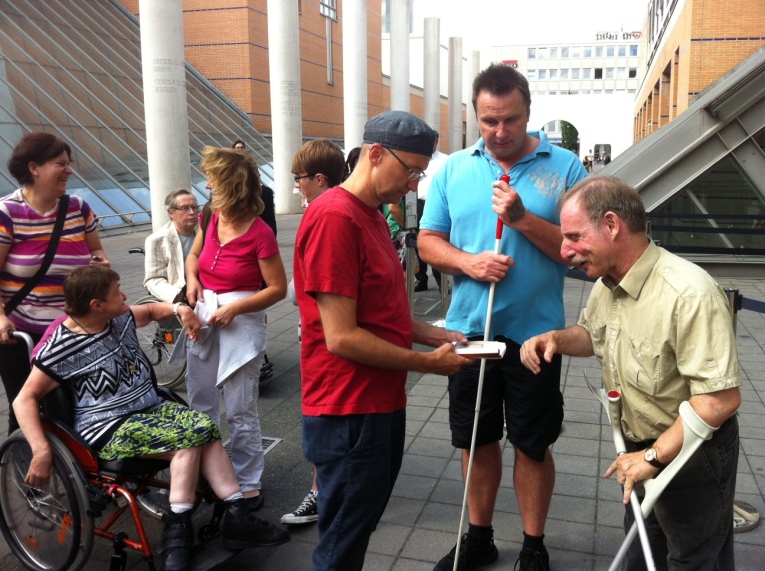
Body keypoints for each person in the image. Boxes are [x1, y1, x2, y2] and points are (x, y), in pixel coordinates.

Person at [520, 176, 740, 571]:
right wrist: (554, 338)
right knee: (642, 551)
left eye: (573, 236)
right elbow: (593, 335)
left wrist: (653, 458)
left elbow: (718, 400)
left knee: (693, 558)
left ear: (611, 225)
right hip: (638, 449)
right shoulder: (607, 281)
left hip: (691, 454)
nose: (565, 250)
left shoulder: (688, 292)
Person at [418, 63, 588, 571]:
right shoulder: (454, 169)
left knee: (532, 444)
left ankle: (534, 545)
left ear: (528, 112)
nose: (499, 131)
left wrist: (521, 219)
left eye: (510, 119)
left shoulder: (565, 169)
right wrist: (467, 261)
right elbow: (429, 241)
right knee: (476, 436)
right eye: (489, 120)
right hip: (471, 331)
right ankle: (480, 536)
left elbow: (575, 252)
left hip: (538, 336)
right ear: (475, 115)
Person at [14, 265, 289, 571]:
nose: (124, 295)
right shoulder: (62, 348)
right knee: (189, 441)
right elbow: (24, 399)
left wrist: (180, 309)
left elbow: (152, 311)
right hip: (108, 426)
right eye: (117, 292)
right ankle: (178, 531)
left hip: (150, 409)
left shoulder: (118, 318)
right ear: (96, 305)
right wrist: (40, 450)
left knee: (205, 426)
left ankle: (237, 514)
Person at [294, 110, 474, 571]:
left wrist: (439, 334)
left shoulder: (370, 215)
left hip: (377, 402)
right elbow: (341, 337)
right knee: (342, 539)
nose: (414, 184)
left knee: (356, 528)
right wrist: (428, 364)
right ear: (375, 154)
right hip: (348, 408)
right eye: (410, 170)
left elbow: (380, 315)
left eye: (420, 172)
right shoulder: (335, 218)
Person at [184, 146, 287, 510]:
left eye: (212, 178)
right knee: (201, 403)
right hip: (205, 315)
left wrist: (236, 307)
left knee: (241, 410)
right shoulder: (211, 216)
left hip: (240, 323)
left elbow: (278, 288)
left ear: (229, 184)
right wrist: (192, 280)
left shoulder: (260, 233)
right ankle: (201, 470)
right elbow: (194, 256)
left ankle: (248, 481)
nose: (206, 184)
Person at [0, 132, 110, 435]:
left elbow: (96, 249)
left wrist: (99, 261)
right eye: (60, 164)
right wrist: (0, 317)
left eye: (69, 163)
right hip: (23, 334)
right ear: (34, 168)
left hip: (71, 331)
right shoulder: (7, 212)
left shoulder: (78, 208)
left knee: (78, 407)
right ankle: (26, 472)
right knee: (24, 410)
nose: (69, 170)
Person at [281, 138, 346, 526]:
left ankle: (323, 495)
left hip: (325, 340)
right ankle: (326, 492)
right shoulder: (341, 210)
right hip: (326, 335)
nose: (296, 185)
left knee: (326, 421)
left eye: (299, 178)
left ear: (319, 178)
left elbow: (302, 289)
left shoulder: (324, 215)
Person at [144, 189, 198, 303]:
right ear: (171, 213)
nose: (192, 212)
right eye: (185, 208)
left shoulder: (204, 234)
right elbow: (153, 279)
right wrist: (178, 296)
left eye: (194, 207)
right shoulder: (157, 240)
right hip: (179, 299)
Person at [414, 132, 447, 291]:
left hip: (435, 203)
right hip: (417, 203)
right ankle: (421, 279)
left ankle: (442, 282)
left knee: (435, 240)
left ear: (436, 142)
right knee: (415, 240)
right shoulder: (416, 157)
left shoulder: (445, 160)